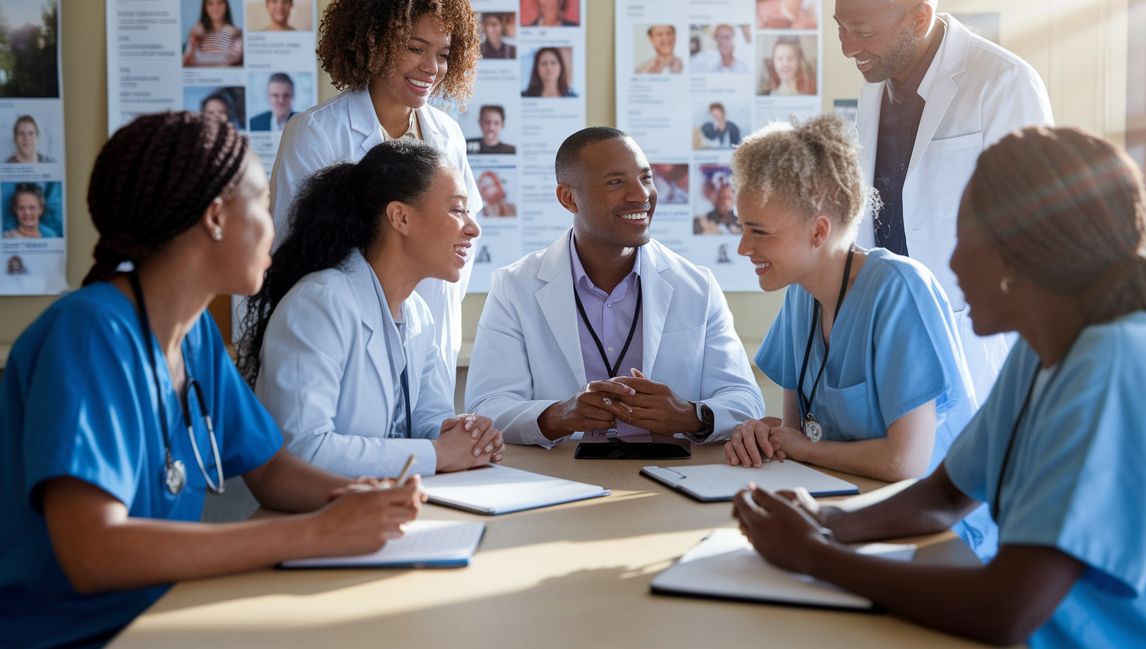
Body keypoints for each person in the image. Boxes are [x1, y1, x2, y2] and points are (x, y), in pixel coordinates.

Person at [732, 126, 1146, 649]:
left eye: (966, 242)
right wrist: (822, 521)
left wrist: (815, 556)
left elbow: (1006, 608)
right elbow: (944, 496)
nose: (953, 267)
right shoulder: (1044, 352)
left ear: (1021, 254)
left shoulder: (1118, 369)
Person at [0, 112, 425, 649]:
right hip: (58, 648)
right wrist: (315, 534)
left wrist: (361, 500)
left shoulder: (194, 338)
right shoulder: (89, 333)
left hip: (159, 621)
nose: (275, 226)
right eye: (261, 202)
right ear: (215, 216)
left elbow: (273, 471)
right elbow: (93, 553)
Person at [725, 116, 993, 557]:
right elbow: (801, 437)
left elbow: (904, 463)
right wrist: (762, 434)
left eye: (759, 232)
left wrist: (797, 445)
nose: (743, 248)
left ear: (819, 230)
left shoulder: (898, 288)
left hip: (941, 538)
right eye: (742, 228)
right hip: (852, 516)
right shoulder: (799, 296)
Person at [836, 0, 1053, 401]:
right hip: (891, 323)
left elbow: (1035, 229)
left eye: (861, 31)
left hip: (973, 336)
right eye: (841, 29)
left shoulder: (1003, 82)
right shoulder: (873, 87)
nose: (847, 48)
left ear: (918, 18)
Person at [466, 127, 764, 446]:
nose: (642, 195)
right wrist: (558, 415)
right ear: (569, 198)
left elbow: (745, 400)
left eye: (646, 178)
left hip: (671, 476)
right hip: (564, 478)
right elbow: (487, 408)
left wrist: (690, 415)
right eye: (616, 182)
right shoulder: (514, 287)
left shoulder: (697, 285)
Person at [269, 0, 482, 393]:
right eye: (414, 48)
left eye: (442, 53)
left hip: (431, 337)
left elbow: (465, 234)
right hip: (344, 338)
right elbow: (293, 248)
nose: (432, 67)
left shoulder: (447, 134)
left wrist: (429, 304)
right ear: (373, 43)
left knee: (428, 445)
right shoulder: (316, 131)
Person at [242, 140, 501, 479]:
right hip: (323, 518)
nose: (473, 228)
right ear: (401, 217)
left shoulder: (418, 314)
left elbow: (428, 422)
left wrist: (466, 438)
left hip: (391, 506)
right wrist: (439, 453)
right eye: (457, 209)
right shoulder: (319, 303)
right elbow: (303, 451)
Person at [183, 0, 243, 67]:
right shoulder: (196, 31)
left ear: (225, 5)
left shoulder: (235, 33)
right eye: (210, 3)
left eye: (219, 3)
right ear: (205, 7)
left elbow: (238, 62)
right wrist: (194, 44)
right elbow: (186, 64)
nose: (215, 7)